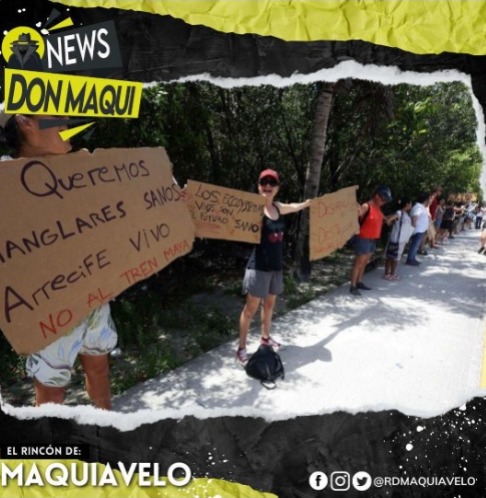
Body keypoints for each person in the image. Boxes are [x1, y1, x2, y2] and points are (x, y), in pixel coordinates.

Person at [0, 112, 117, 409]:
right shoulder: (5, 178)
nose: (65, 125)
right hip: (47, 308)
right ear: (26, 122)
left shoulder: (82, 170)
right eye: (54, 118)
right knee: (52, 393)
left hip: (93, 295)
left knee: (100, 369)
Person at [236, 169, 311, 364]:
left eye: (272, 183)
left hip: (276, 268)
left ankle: (265, 339)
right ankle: (241, 349)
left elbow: (294, 206)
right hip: (258, 267)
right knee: (249, 310)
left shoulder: (277, 207)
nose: (268, 186)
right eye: (264, 182)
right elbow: (219, 211)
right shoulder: (252, 208)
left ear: (277, 187)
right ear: (258, 185)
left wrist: (308, 204)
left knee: (269, 305)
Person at [349, 186, 395, 296]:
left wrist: (391, 218)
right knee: (359, 263)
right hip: (363, 238)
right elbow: (355, 216)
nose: (384, 202)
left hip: (372, 239)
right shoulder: (366, 206)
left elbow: (384, 219)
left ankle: (359, 282)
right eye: (383, 199)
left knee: (364, 262)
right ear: (377, 196)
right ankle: (353, 286)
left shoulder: (377, 208)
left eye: (386, 201)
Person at [383, 198, 413, 281]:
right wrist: (389, 221)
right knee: (391, 257)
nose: (411, 205)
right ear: (406, 204)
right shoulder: (400, 213)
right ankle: (388, 274)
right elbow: (390, 219)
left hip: (402, 240)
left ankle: (392, 273)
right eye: (410, 203)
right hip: (396, 239)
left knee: (396, 257)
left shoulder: (406, 214)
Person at [406, 192, 431, 266]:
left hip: (420, 230)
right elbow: (415, 216)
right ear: (426, 199)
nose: (429, 200)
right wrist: (414, 225)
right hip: (418, 230)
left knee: (416, 245)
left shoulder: (421, 206)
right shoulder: (418, 207)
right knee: (414, 245)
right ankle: (410, 259)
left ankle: (412, 258)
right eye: (429, 199)